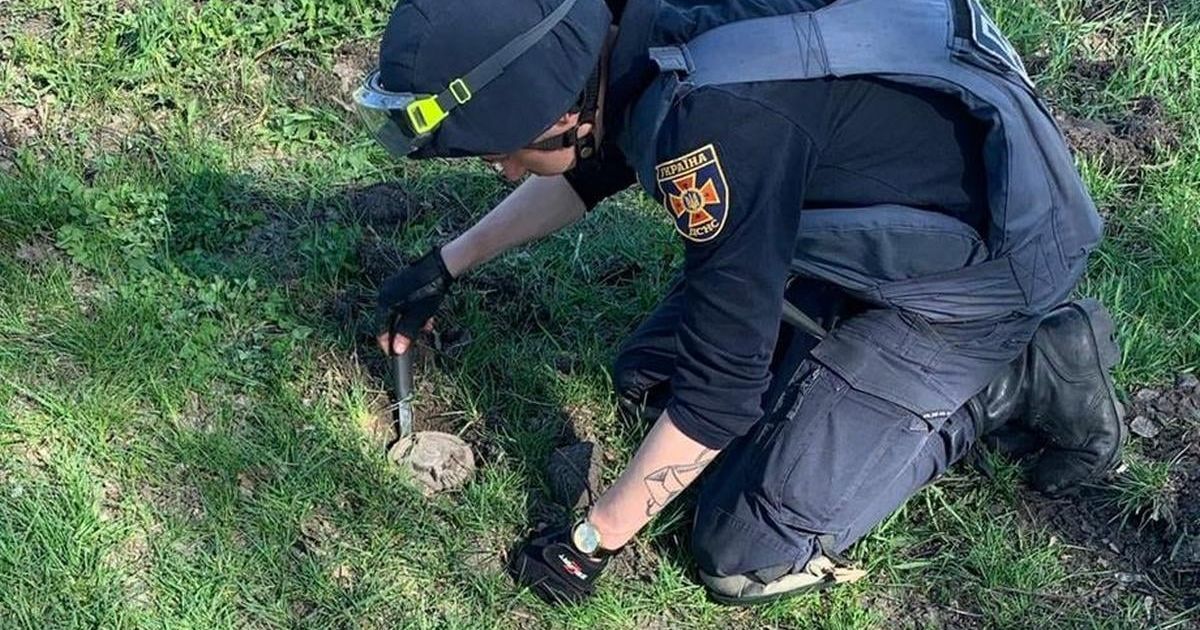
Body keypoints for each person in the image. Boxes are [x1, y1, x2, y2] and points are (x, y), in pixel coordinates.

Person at [354, 0, 1126, 606]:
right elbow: (600, 155)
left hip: (984, 273)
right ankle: (844, 351)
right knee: (650, 379)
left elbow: (720, 396)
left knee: (742, 550)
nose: (501, 171)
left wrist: (590, 542)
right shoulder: (619, 31)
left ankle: (1018, 372)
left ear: (559, 115)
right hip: (882, 200)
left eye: (501, 153)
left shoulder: (715, 126)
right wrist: (446, 265)